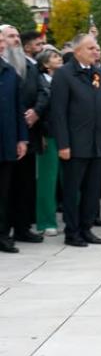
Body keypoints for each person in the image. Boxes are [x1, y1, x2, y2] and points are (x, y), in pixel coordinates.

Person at [50, 34, 101, 247]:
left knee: (92, 189)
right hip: (75, 144)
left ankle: (86, 228)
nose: (96, 52)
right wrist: (63, 144)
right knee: (72, 189)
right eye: (91, 48)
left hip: (97, 142)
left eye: (97, 48)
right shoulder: (64, 74)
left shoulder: (99, 74)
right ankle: (72, 231)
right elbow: (58, 112)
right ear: (77, 51)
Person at [3, 27, 48, 244]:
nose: (15, 41)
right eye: (10, 37)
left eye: (15, 37)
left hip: (27, 133)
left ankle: (22, 227)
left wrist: (36, 111)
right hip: (6, 134)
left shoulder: (29, 65)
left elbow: (43, 91)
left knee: (25, 184)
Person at [0, 33, 28, 253]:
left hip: (7, 142)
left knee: (4, 192)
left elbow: (19, 110)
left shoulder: (10, 72)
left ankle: (2, 235)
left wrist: (22, 138)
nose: (1, 45)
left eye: (2, 41)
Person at [34, 48, 63, 237]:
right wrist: (40, 135)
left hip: (68, 135)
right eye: (54, 56)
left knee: (69, 180)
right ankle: (46, 221)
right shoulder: (39, 81)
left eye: (59, 55)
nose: (59, 58)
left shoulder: (66, 80)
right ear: (45, 64)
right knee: (48, 180)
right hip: (48, 135)